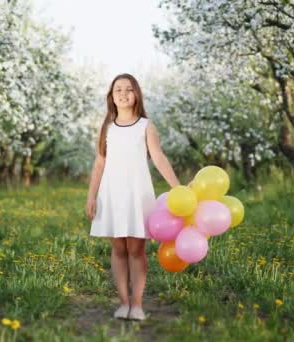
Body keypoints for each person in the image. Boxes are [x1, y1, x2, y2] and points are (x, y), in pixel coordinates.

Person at [85, 73, 180, 321]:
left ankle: (137, 304)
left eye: (129, 89)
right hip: (111, 194)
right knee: (117, 248)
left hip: (138, 193)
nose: (124, 93)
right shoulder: (107, 127)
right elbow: (99, 163)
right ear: (111, 97)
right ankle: (123, 302)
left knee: (136, 249)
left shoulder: (146, 126)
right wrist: (91, 196)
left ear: (136, 94)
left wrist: (177, 187)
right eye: (118, 90)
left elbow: (158, 158)